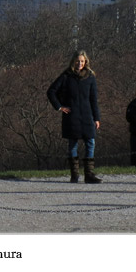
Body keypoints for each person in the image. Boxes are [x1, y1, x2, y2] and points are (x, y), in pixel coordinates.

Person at [47, 51, 102, 184]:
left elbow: (93, 99)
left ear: (86, 62)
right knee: (73, 144)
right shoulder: (66, 76)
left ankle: (89, 175)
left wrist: (96, 118)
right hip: (72, 116)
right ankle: (74, 175)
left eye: (82, 61)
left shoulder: (90, 77)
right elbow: (51, 91)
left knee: (90, 142)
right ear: (73, 61)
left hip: (87, 115)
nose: (80, 64)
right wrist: (59, 107)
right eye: (77, 61)